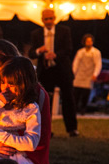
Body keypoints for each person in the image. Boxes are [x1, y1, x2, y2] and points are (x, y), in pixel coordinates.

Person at [29, 8, 79, 137]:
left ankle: (72, 129)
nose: (49, 21)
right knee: (45, 101)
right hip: (45, 72)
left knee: (68, 98)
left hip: (62, 70)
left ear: (54, 18)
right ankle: (46, 130)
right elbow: (31, 53)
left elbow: (68, 49)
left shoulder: (64, 31)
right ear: (42, 20)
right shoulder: (36, 34)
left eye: (51, 18)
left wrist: (55, 55)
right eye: (46, 19)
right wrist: (40, 51)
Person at [72, 34, 102, 115]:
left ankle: (83, 109)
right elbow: (76, 63)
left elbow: (98, 64)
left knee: (86, 94)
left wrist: (95, 74)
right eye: (87, 41)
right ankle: (74, 109)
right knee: (76, 93)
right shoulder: (80, 52)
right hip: (79, 75)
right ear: (84, 42)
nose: (89, 42)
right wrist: (73, 74)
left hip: (89, 75)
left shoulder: (96, 52)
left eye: (90, 41)